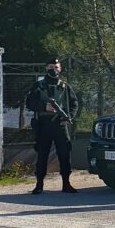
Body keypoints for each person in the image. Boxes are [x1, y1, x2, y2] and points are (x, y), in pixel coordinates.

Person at [25, 58, 79, 194]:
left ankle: (66, 184)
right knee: (42, 155)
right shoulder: (38, 86)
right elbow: (30, 103)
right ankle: (39, 185)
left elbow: (74, 104)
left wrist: (69, 117)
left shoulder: (65, 87)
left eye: (56, 67)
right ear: (46, 68)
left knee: (65, 154)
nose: (53, 70)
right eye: (50, 67)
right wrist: (44, 107)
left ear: (60, 69)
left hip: (61, 124)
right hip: (43, 125)